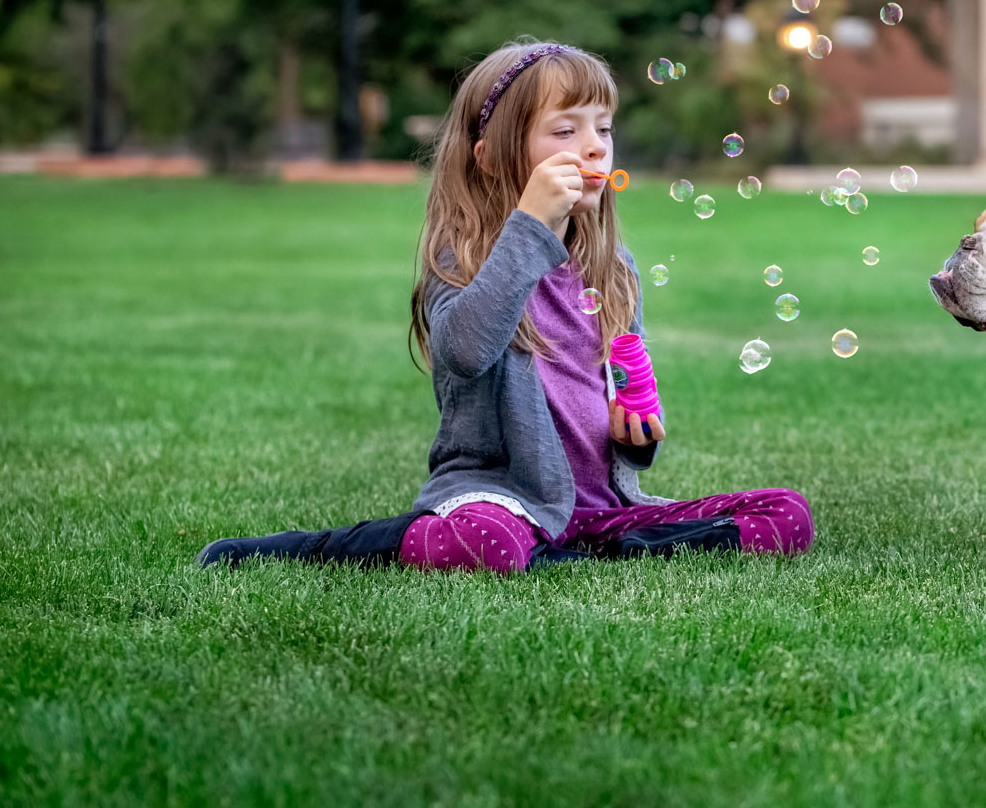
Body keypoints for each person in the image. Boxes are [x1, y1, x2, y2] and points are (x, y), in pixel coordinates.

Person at [198, 42, 814, 572]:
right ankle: (313, 549)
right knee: (487, 545)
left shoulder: (613, 269)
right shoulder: (462, 258)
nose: (595, 147)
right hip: (501, 499)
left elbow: (623, 395)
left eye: (603, 128)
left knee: (787, 513)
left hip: (601, 509)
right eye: (565, 130)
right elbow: (465, 352)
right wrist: (528, 226)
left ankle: (614, 548)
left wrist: (639, 435)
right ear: (491, 157)